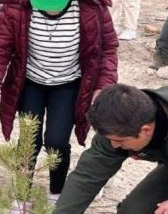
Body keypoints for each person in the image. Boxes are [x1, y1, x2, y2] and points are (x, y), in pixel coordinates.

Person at [0, 0, 118, 205]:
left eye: (54, 1)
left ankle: (57, 193)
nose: (47, 7)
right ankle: (21, 197)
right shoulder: (15, 6)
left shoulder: (91, 8)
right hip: (30, 81)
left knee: (57, 141)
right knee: (28, 140)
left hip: (68, 83)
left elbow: (107, 50)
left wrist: (102, 87)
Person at [54, 84, 168, 213]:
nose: (113, 145)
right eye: (110, 139)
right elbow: (87, 177)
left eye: (119, 141)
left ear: (145, 130)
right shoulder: (119, 124)